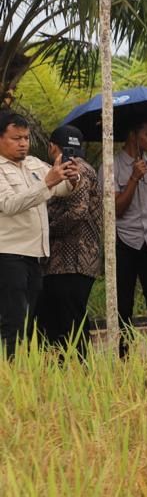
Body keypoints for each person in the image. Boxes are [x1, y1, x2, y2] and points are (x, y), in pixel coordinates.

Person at [0, 111, 77, 356]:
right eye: (16, 138)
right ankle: (7, 374)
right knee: (12, 320)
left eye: (26, 138)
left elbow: (61, 189)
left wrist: (70, 178)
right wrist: (46, 183)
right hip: (8, 254)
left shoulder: (34, 163)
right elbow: (10, 204)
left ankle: (21, 374)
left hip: (35, 254)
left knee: (27, 320)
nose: (23, 143)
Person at [37, 125, 101, 357]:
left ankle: (80, 369)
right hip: (70, 261)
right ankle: (65, 370)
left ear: (52, 146)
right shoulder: (83, 167)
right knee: (60, 318)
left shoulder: (75, 170)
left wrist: (44, 230)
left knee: (70, 320)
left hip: (71, 261)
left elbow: (77, 212)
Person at [108, 120, 147, 352]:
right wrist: (133, 178)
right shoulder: (111, 166)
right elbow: (115, 210)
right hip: (126, 241)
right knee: (123, 305)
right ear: (133, 135)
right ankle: (123, 355)